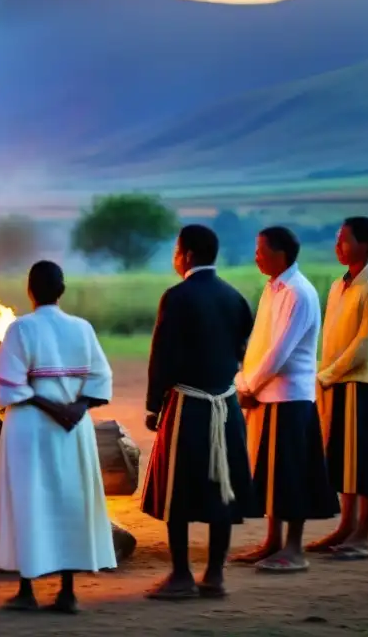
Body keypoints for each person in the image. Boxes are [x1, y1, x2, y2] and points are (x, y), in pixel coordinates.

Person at [0, 260, 116, 614]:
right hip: (73, 429)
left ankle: (27, 590)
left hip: (29, 428)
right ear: (62, 291)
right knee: (70, 501)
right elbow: (101, 378)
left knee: (29, 501)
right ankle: (68, 592)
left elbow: (6, 381)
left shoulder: (21, 328)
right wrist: (75, 408)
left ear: (30, 291)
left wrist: (50, 405)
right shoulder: (82, 328)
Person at [141, 225, 255, 599]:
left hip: (188, 405)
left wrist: (153, 406)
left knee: (179, 491)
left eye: (176, 251)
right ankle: (215, 575)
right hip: (225, 406)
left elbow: (162, 356)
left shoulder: (176, 297)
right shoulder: (235, 297)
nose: (175, 258)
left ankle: (180, 576)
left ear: (187, 255)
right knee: (221, 488)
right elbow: (243, 348)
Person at [230, 227, 337, 571]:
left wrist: (247, 387)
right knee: (271, 473)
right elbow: (260, 343)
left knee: (291, 473)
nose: (256, 255)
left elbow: (279, 352)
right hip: (266, 394)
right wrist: (245, 381)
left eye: (261, 249)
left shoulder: (298, 292)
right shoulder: (273, 287)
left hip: (289, 397)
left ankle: (294, 550)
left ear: (280, 253)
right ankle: (273, 542)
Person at [309, 217, 368, 559]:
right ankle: (346, 527)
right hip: (336, 380)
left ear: (365, 245)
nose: (338, 246)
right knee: (344, 459)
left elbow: (364, 345)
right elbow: (331, 337)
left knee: (366, 462)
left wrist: (327, 375)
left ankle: (362, 536)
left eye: (344, 240)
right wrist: (325, 374)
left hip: (362, 383)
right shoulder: (339, 285)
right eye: (337, 239)